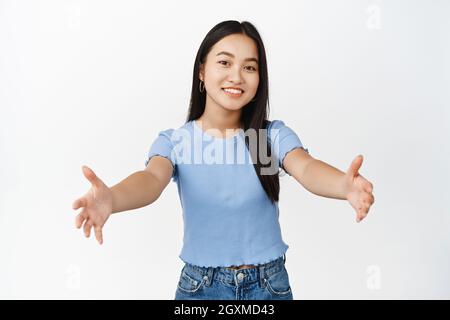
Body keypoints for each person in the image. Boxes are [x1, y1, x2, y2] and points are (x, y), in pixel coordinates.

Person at [72, 20, 375, 300]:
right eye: (225, 63)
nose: (236, 76)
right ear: (202, 71)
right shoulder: (177, 141)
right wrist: (111, 198)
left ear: (260, 79)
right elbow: (151, 180)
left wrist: (343, 186)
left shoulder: (267, 138)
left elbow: (305, 167)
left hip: (268, 286)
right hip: (200, 287)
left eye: (249, 67)